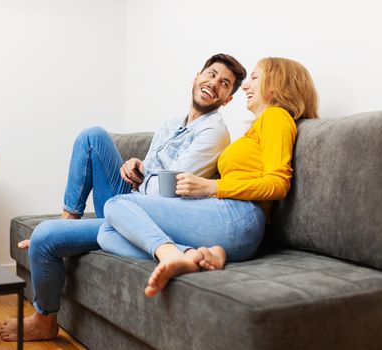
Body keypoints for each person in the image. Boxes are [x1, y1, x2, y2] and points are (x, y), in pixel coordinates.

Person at [0, 53, 247, 342]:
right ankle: (69, 221)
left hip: (148, 217)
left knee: (45, 237)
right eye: (211, 74)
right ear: (197, 76)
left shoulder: (214, 132)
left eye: (224, 83)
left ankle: (44, 321)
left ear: (228, 99)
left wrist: (143, 175)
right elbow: (150, 175)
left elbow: (166, 189)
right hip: (129, 200)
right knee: (92, 136)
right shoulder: (170, 124)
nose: (214, 83)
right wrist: (134, 166)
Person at [97, 57, 319, 298]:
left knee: (117, 204)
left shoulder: (276, 117)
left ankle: (171, 254)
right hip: (228, 218)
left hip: (241, 215)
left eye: (254, 78)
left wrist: (210, 187)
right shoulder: (260, 125)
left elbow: (278, 184)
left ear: (277, 83)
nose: (245, 86)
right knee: (106, 234)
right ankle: (193, 255)